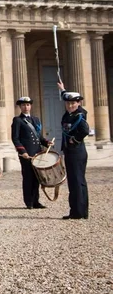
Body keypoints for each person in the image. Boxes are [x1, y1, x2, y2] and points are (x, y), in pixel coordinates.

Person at [57, 83, 90, 220]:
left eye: (73, 103)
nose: (70, 105)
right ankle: (80, 211)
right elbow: (66, 97)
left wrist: (75, 140)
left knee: (77, 182)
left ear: (79, 103)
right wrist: (63, 89)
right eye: (68, 103)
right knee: (76, 181)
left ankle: (77, 212)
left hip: (76, 151)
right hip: (71, 152)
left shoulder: (79, 115)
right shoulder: (71, 114)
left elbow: (85, 130)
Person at [11, 96, 49, 210]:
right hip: (26, 154)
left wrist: (46, 142)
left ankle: (36, 200)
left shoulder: (35, 119)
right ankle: (29, 202)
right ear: (20, 107)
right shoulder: (17, 120)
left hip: (37, 153)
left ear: (30, 106)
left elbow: (38, 136)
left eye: (27, 105)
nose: (26, 107)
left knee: (37, 177)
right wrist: (22, 151)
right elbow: (15, 138)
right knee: (28, 177)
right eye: (23, 105)